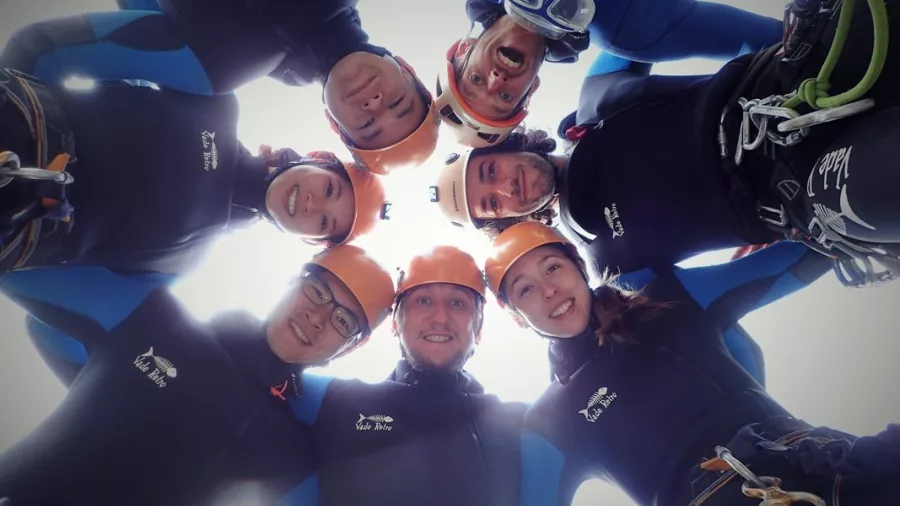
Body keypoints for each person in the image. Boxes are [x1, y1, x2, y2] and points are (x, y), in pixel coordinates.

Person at [433, 0, 900, 287]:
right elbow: (737, 288)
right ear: (513, 219)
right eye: (494, 205)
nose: (507, 189)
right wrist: (820, 249)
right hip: (820, 189)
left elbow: (669, 23)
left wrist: (787, 42)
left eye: (489, 173)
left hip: (809, 73)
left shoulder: (597, 95)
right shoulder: (612, 265)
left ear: (508, 148)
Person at [485, 221, 900, 506]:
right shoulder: (549, 422)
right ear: (519, 317)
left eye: (553, 267)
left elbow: (788, 262)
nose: (549, 291)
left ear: (579, 268)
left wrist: (855, 220)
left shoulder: (668, 298)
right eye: (525, 290)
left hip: (823, 460)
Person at [0, 244, 396, 504]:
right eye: (318, 291)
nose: (319, 316)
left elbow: (47, 332)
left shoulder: (286, 455)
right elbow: (18, 261)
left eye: (344, 321)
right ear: (292, 281)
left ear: (345, 350)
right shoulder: (151, 317)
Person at [0, 19, 389, 276]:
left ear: (306, 238)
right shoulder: (216, 101)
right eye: (329, 190)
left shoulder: (180, 264)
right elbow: (46, 46)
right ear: (315, 161)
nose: (312, 205)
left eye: (323, 222)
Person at [3, 3, 440, 175]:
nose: (374, 105)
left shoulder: (214, 70)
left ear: (335, 122)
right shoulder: (219, 66)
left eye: (367, 125)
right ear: (403, 67)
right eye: (399, 104)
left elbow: (39, 52)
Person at [281, 245, 530, 505]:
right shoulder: (327, 403)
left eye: (457, 303)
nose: (440, 318)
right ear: (395, 323)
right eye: (423, 300)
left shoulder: (523, 424)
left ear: (478, 327)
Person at [433, 0, 780, 147]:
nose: (496, 81)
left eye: (476, 80)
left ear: (465, 49)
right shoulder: (638, 33)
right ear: (532, 86)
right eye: (506, 98)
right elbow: (780, 42)